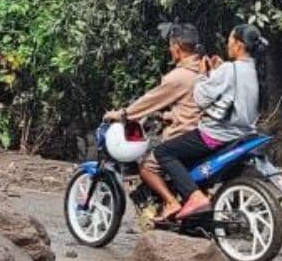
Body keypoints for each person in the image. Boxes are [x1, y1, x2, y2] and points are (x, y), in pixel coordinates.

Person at [153, 24, 267, 219]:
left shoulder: (230, 68)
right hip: (244, 133)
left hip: (215, 135)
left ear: (239, 45)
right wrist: (217, 71)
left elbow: (201, 98)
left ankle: (194, 197)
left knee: (163, 152)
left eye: (230, 40)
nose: (227, 44)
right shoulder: (254, 69)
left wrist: (202, 75)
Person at [103, 23, 203, 221]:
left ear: (177, 47)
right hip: (198, 131)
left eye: (170, 46)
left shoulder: (178, 77)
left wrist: (123, 114)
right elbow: (193, 105)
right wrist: (168, 116)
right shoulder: (203, 70)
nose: (169, 50)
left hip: (183, 133)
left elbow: (150, 100)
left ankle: (170, 202)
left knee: (147, 166)